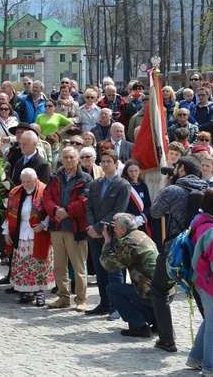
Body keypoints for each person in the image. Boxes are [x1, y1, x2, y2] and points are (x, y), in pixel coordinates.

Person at [150, 156, 213, 353]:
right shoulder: (210, 190)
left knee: (159, 289)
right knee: (204, 295)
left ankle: (167, 339)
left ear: (181, 168)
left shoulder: (173, 190)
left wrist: (167, 186)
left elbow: (155, 212)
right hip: (202, 250)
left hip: (175, 250)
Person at [43, 145, 93, 312]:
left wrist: (66, 212)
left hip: (75, 228)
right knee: (58, 265)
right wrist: (56, 210)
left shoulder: (85, 178)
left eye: (72, 157)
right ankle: (63, 297)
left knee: (79, 266)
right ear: (61, 160)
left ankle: (81, 299)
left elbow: (84, 201)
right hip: (57, 227)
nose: (69, 160)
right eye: (66, 158)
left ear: (77, 159)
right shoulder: (55, 176)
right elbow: (47, 197)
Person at [186, 188, 213, 375]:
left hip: (201, 280)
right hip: (212, 284)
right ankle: (211, 367)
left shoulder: (199, 221)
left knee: (211, 319)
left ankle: (195, 358)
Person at [84, 148, 129, 318]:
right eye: (103, 161)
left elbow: (118, 211)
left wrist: (98, 228)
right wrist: (91, 227)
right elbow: (88, 206)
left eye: (109, 161)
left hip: (112, 235)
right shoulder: (95, 184)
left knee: (114, 272)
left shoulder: (123, 185)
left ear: (116, 164)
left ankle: (118, 307)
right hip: (94, 235)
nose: (105, 164)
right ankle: (104, 303)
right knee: (100, 271)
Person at [99, 213, 159, 338]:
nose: (113, 231)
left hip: (152, 292)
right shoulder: (140, 235)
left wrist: (107, 242)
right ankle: (156, 320)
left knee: (113, 289)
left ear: (123, 229)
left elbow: (109, 265)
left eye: (115, 228)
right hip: (163, 291)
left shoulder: (129, 243)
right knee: (131, 289)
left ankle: (140, 326)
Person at [3, 168, 54, 306]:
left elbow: (50, 210)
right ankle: (25, 291)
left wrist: (43, 224)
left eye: (28, 181)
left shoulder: (44, 190)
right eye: (23, 181)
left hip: (38, 233)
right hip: (21, 233)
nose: (25, 184)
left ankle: (39, 293)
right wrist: (6, 232)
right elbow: (9, 213)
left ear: (36, 179)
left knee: (39, 264)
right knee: (24, 264)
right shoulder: (15, 192)